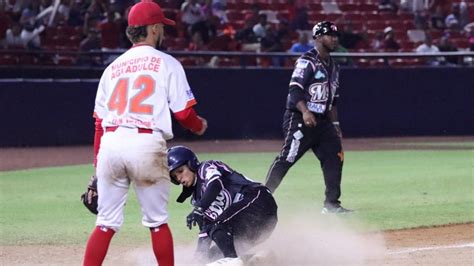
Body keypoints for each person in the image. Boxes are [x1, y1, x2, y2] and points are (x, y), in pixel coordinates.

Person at [83, 1, 208, 265]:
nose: (163, 30)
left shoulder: (112, 68)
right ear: (152, 29)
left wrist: (96, 171)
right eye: (161, 26)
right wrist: (199, 126)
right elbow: (184, 115)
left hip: (111, 143)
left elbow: (98, 124)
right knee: (157, 223)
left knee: (105, 223)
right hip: (145, 143)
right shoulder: (167, 63)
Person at [264, 21, 352, 214]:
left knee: (335, 155)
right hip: (299, 118)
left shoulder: (334, 66)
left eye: (336, 36)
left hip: (322, 121)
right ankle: (262, 197)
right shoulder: (307, 61)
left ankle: (332, 204)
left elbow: (333, 100)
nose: (334, 39)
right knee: (287, 157)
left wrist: (335, 124)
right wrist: (305, 111)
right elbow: (295, 90)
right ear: (318, 37)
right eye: (330, 35)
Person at [167, 146, 278, 266]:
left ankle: (233, 260)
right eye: (174, 176)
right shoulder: (197, 199)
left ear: (191, 164)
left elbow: (215, 184)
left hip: (260, 201)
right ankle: (257, 258)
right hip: (255, 228)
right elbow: (206, 232)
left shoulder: (206, 167)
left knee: (218, 225)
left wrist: (200, 208)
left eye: (180, 171)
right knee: (212, 255)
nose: (179, 178)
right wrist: (197, 261)